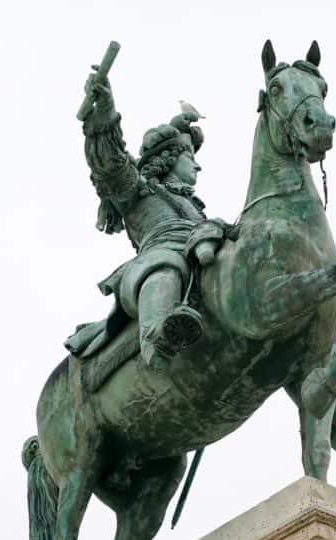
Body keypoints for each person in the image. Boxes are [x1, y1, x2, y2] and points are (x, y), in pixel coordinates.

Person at [65, 69, 229, 366]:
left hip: (202, 254)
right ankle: (158, 338)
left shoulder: (193, 205)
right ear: (168, 159)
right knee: (167, 266)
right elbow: (110, 164)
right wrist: (106, 111)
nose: (197, 168)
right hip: (157, 259)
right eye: (190, 158)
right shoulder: (138, 190)